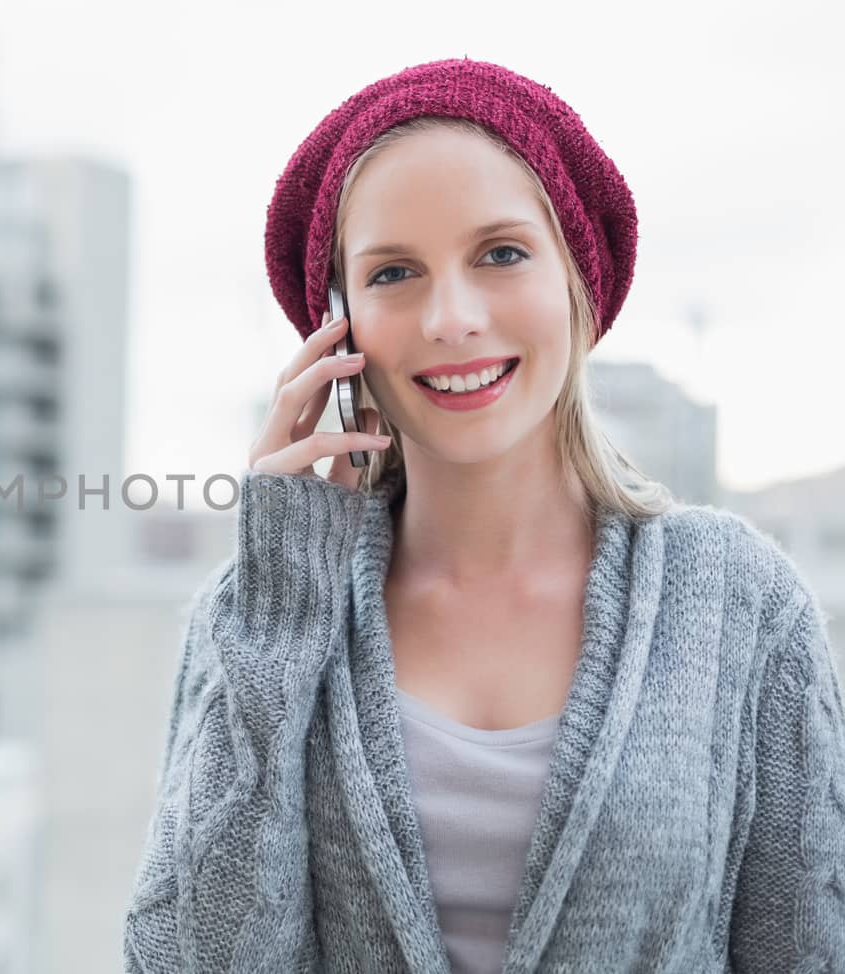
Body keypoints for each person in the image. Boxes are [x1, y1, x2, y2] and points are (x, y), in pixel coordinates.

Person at [122, 58, 845, 973]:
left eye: (501, 253)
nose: (453, 317)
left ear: (577, 283)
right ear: (336, 329)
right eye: (394, 273)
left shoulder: (741, 604)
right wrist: (282, 604)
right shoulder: (261, 614)